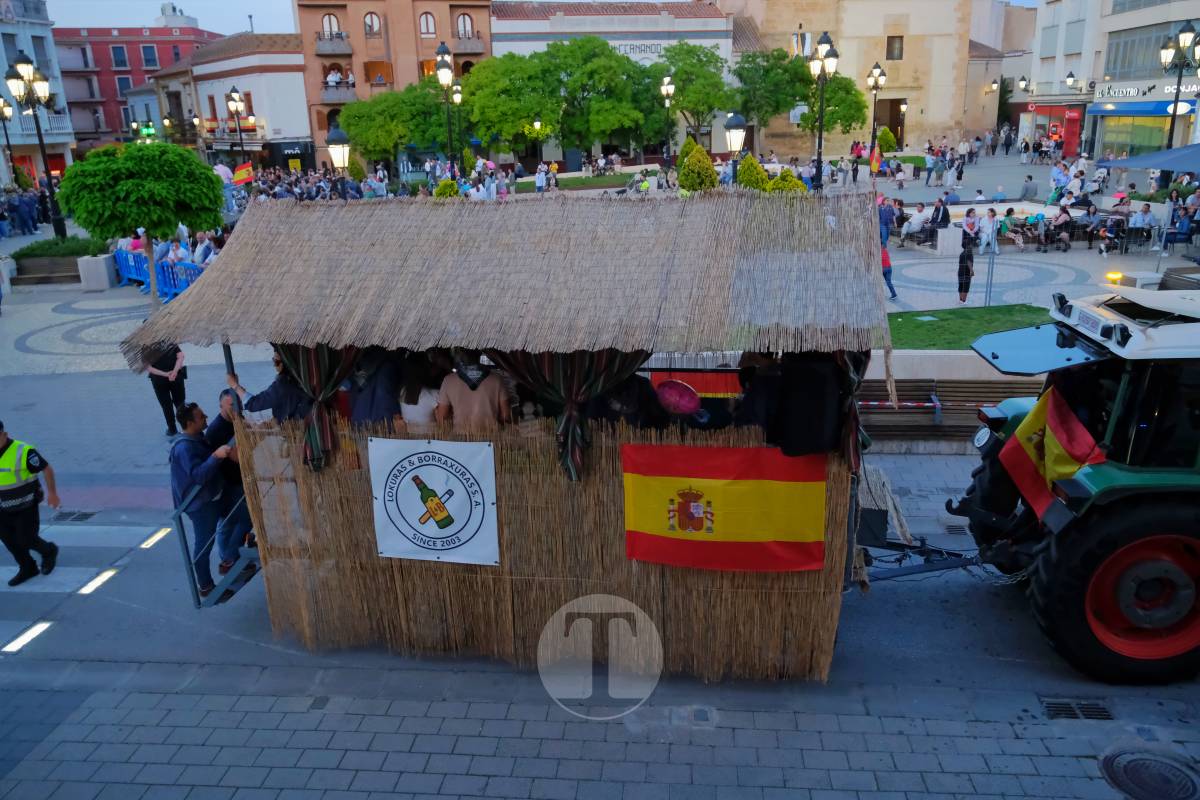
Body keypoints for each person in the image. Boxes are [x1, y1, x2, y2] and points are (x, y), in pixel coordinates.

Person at [169, 403, 239, 597]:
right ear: (190, 423)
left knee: (241, 514)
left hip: (213, 495)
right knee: (204, 546)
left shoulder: (196, 437)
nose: (206, 417)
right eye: (201, 417)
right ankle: (206, 586)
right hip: (200, 505)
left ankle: (230, 556)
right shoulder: (184, 448)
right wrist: (216, 456)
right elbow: (199, 475)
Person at [0, 420, 60, 587]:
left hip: (25, 505)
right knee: (8, 539)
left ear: (4, 434)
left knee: (25, 539)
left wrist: (52, 494)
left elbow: (46, 469)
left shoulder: (23, 451)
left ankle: (49, 551)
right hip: (2, 507)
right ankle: (27, 568)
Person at [435, 350, 511, 430]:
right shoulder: (497, 379)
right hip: (491, 437)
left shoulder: (448, 380)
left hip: (459, 439)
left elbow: (442, 418)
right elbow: (506, 416)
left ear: (459, 357)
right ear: (480, 354)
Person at [226, 353, 312, 423]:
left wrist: (235, 386)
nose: (274, 365)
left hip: (303, 428)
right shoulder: (304, 376)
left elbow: (254, 404)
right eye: (273, 361)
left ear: (286, 363)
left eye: (276, 362)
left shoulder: (284, 384)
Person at [147, 344, 187, 436]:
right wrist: (174, 372)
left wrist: (165, 374)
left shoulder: (146, 346)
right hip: (176, 377)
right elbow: (181, 357)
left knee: (166, 405)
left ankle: (172, 429)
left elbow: (148, 367)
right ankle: (186, 427)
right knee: (180, 404)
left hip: (158, 380)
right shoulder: (169, 342)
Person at [398, 353, 440, 432]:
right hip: (431, 441)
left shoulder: (402, 392)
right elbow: (443, 420)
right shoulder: (434, 395)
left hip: (411, 440)